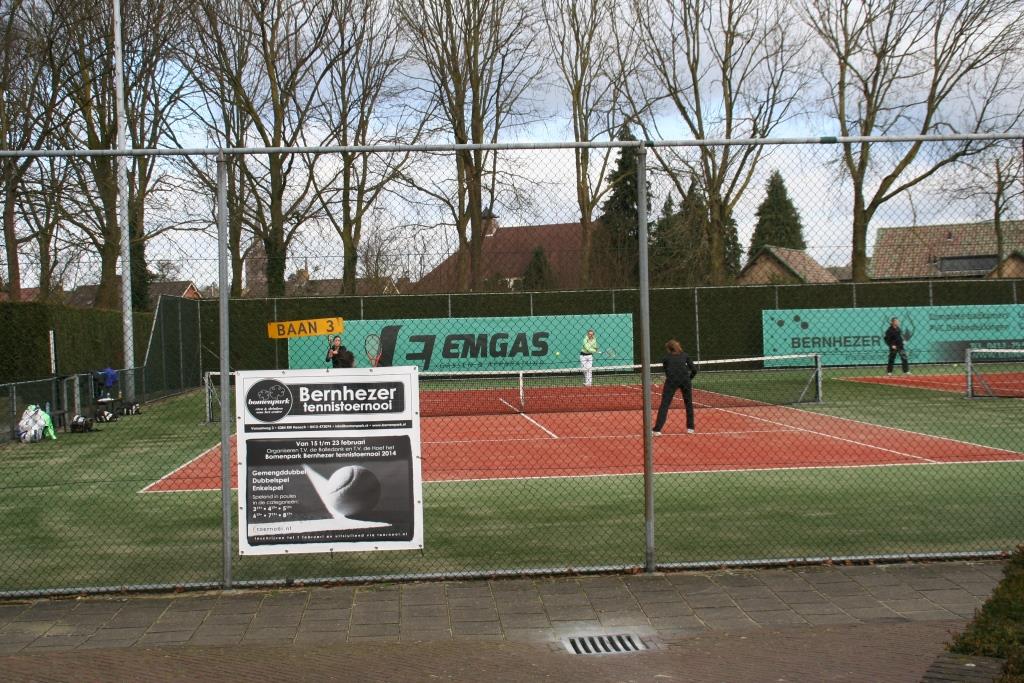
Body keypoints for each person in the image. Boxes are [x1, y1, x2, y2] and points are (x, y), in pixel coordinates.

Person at [653, 339, 697, 436]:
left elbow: (667, 371)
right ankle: (691, 428)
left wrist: (672, 377)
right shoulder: (685, 355)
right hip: (685, 381)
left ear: (669, 349)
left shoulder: (666, 358)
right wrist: (688, 379)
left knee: (664, 404)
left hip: (671, 381)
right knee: (688, 404)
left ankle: (657, 430)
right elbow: (694, 370)